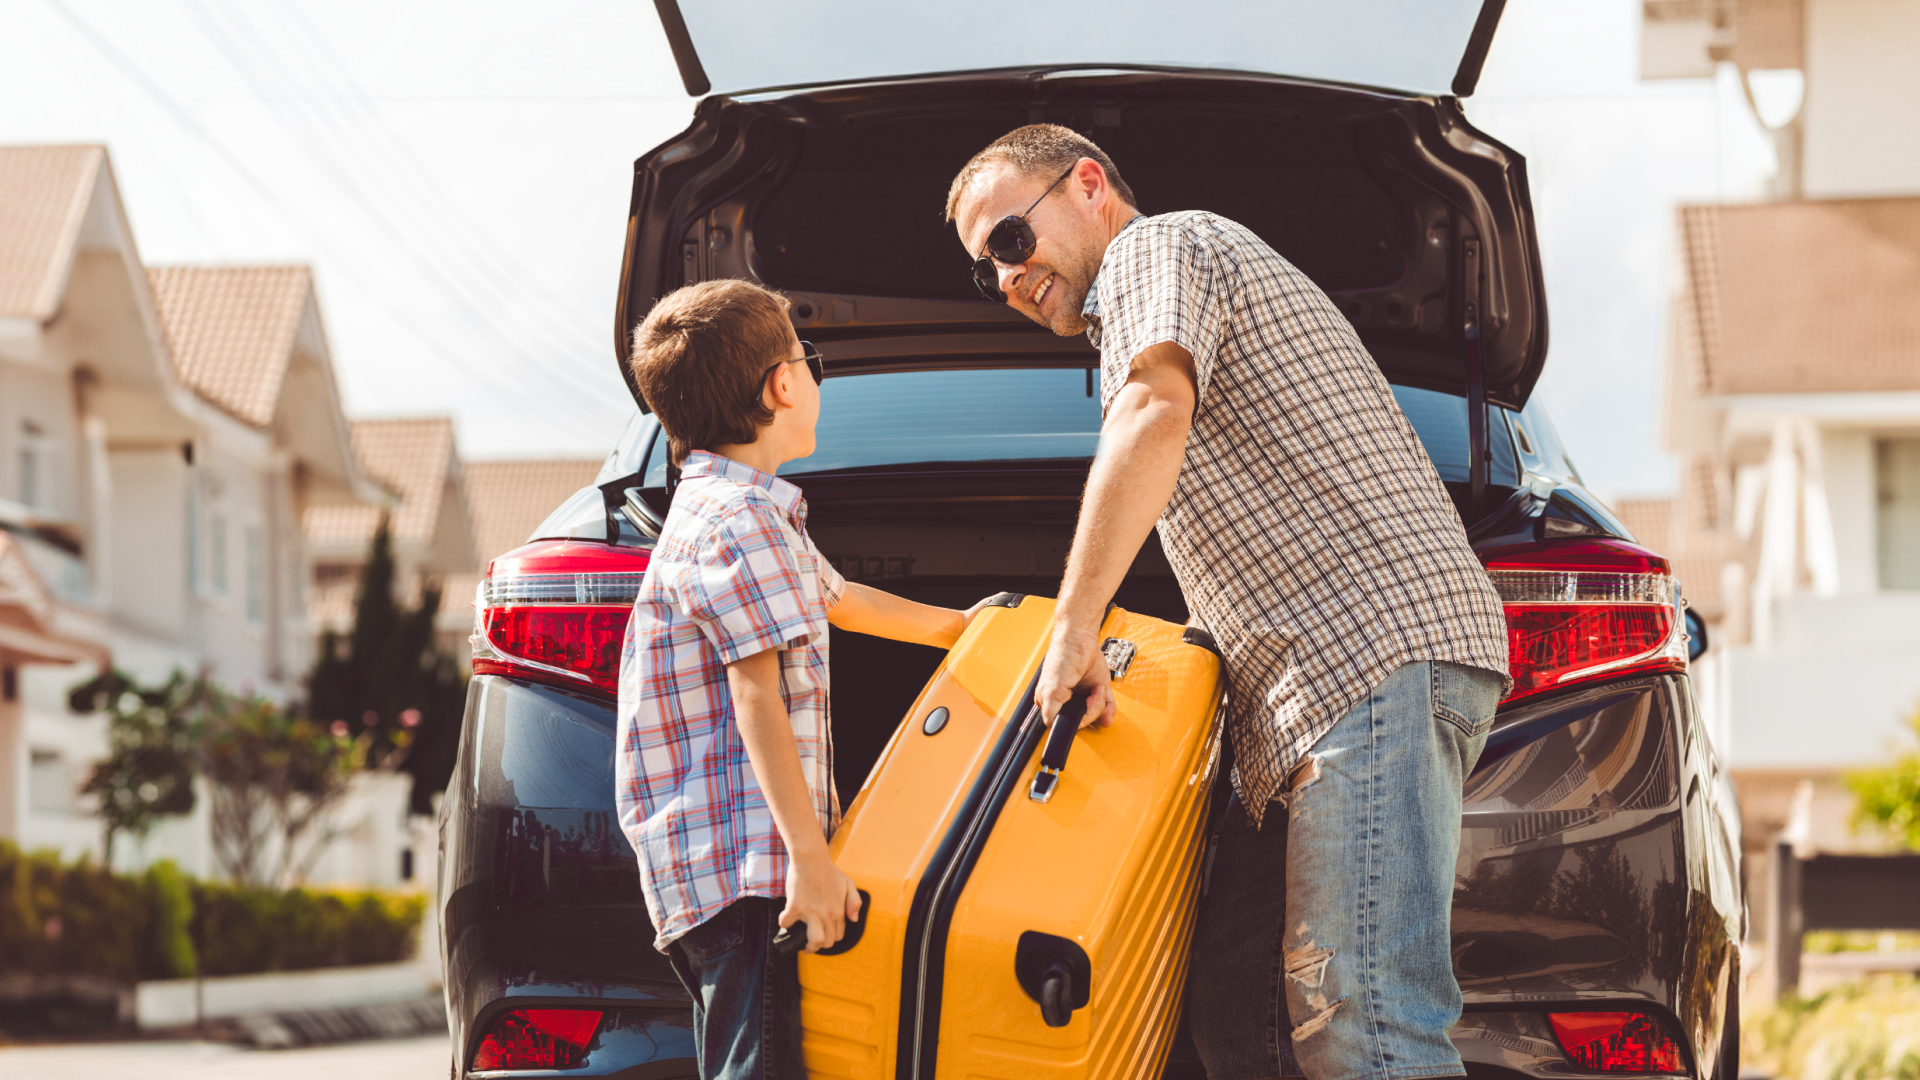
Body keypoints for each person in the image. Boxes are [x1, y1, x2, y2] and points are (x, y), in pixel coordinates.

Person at [947, 125, 1512, 1080]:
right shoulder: (1161, 290)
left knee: (1367, 1022)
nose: (1006, 277)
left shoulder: (1155, 249)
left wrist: (1071, 630)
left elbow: (1153, 410)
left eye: (1009, 239)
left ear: (1089, 185)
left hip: (1363, 656)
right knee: (1240, 1024)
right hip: (1293, 712)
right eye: (984, 269)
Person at [615, 279, 989, 1080]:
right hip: (752, 869)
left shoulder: (741, 512)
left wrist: (978, 628)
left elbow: (846, 602)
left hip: (725, 865)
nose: (812, 379)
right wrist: (810, 862)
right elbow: (759, 697)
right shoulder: (740, 522)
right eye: (806, 361)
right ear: (783, 384)